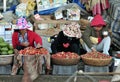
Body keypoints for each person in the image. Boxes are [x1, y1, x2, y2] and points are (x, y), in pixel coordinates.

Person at [11, 17, 51, 82]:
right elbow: (14, 45)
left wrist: (38, 44)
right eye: (21, 29)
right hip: (20, 49)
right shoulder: (15, 34)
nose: (23, 30)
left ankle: (35, 73)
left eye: (24, 28)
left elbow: (38, 38)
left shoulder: (31, 33)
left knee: (41, 56)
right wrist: (20, 46)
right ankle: (18, 73)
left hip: (30, 50)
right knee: (18, 59)